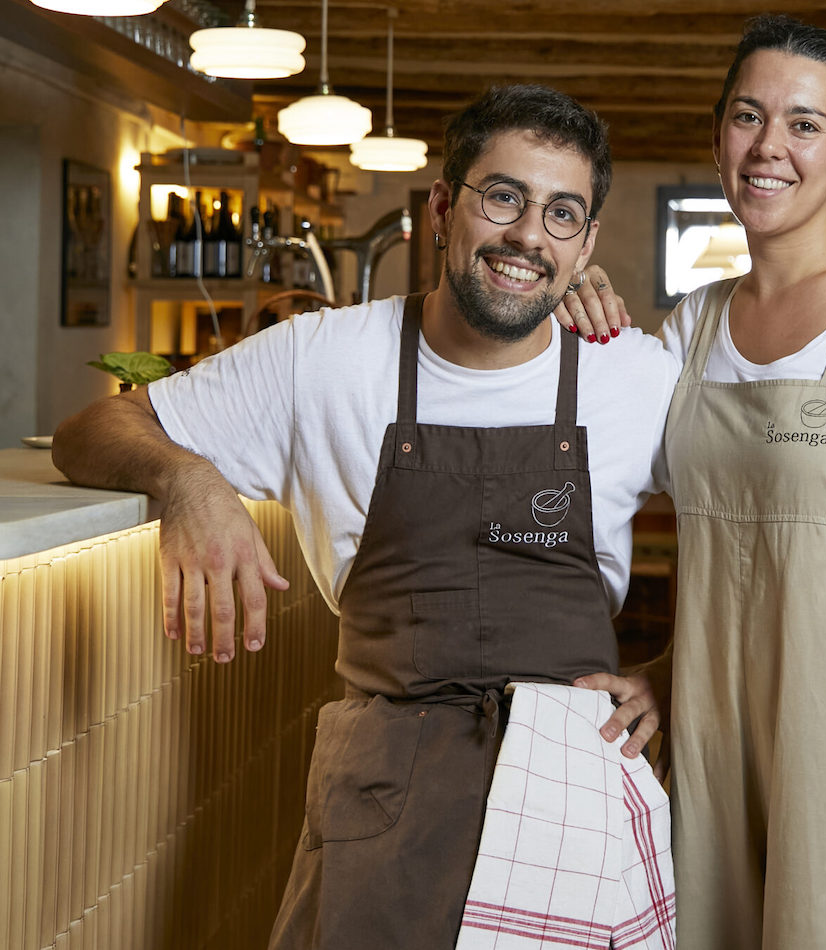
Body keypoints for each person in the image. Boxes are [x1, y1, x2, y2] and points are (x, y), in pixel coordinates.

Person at [52, 84, 678, 950]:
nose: (529, 234)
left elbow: (761, 528)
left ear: (585, 245)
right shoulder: (324, 358)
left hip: (570, 782)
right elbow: (91, 431)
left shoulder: (635, 377)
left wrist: (675, 671)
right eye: (504, 196)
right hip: (387, 789)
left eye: (561, 214)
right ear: (442, 207)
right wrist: (189, 483)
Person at [564, 15, 826, 949]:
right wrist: (566, 305)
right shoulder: (690, 329)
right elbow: (744, 553)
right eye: (748, 117)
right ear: (718, 138)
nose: (769, 147)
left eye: (804, 124)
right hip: (720, 750)